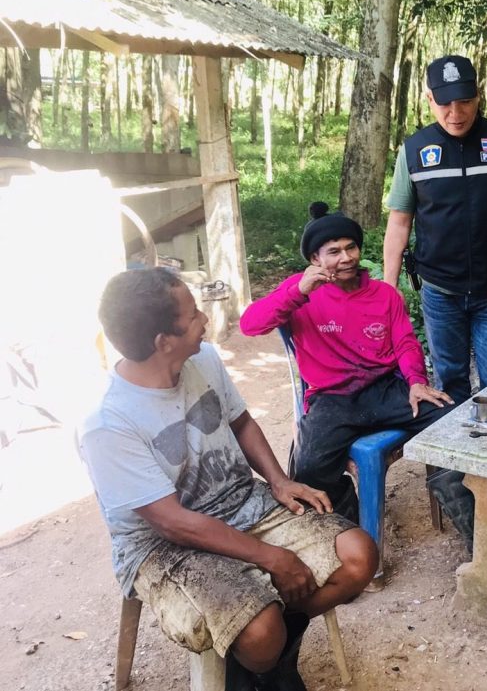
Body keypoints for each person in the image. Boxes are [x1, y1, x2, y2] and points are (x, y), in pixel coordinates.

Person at [80, 268, 378, 691]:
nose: (204, 318)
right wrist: (273, 558)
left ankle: (267, 656)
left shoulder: (202, 358)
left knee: (359, 556)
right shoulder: (109, 424)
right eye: (193, 315)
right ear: (163, 342)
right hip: (162, 545)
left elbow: (241, 422)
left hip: (241, 501)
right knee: (259, 628)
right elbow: (172, 523)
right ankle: (266, 658)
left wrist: (279, 481)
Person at [240, 203, 454, 522]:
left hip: (385, 389)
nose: (346, 257)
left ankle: (467, 513)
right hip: (331, 398)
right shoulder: (300, 292)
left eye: (351, 247)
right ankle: (347, 528)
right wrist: (298, 292)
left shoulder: (384, 294)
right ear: (315, 259)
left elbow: (405, 343)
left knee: (453, 422)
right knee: (309, 468)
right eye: (334, 251)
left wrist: (415, 381)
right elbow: (250, 325)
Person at [383, 53, 487, 405]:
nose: (455, 113)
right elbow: (399, 220)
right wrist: (389, 286)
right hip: (440, 291)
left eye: (465, 102)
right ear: (430, 99)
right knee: (449, 384)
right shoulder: (414, 150)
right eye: (445, 104)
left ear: (478, 96)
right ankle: (450, 445)